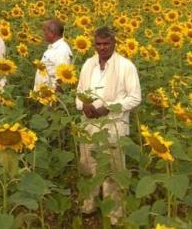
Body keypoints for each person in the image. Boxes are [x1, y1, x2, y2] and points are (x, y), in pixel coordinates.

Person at [75, 26, 141, 225]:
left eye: (106, 44)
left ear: (114, 43)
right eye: (98, 44)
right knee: (88, 167)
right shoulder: (88, 64)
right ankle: (89, 207)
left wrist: (109, 108)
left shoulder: (126, 66)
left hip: (113, 127)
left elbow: (136, 98)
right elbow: (79, 92)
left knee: (113, 171)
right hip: (89, 126)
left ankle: (115, 216)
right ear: (94, 44)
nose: (102, 48)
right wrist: (83, 105)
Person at [34, 19, 73, 90]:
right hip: (44, 96)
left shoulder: (61, 50)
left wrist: (56, 97)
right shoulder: (54, 47)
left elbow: (61, 78)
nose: (43, 33)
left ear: (52, 33)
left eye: (45, 30)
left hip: (51, 97)